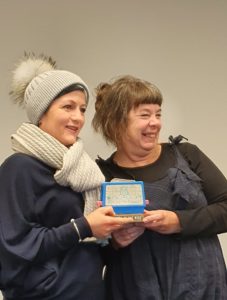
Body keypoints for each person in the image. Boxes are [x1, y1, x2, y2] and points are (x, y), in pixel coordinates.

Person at [0, 54, 132, 300]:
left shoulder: (82, 171)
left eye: (82, 109)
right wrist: (85, 226)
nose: (78, 118)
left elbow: (83, 248)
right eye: (68, 107)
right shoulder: (19, 168)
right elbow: (15, 245)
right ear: (41, 113)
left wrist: (114, 239)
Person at [92, 75, 227, 300]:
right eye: (145, 115)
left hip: (201, 287)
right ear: (116, 122)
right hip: (134, 289)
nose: (155, 122)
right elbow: (88, 251)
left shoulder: (187, 155)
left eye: (158, 114)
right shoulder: (100, 176)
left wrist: (178, 222)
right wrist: (114, 242)